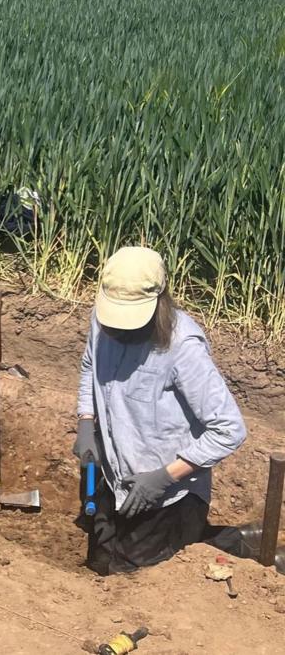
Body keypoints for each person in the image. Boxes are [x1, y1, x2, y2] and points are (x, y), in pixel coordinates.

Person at [75, 246, 247, 575]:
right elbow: (89, 367)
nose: (119, 329)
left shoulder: (182, 347)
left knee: (133, 577)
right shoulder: (102, 320)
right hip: (116, 478)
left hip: (169, 497)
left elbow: (229, 429)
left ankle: (234, 543)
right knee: (99, 564)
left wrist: (164, 477)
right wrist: (86, 421)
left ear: (159, 302)